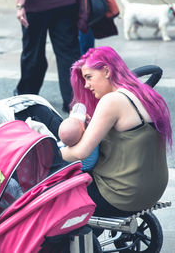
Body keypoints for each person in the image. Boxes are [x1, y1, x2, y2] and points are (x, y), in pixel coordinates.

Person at [60, 46, 172, 217]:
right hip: (153, 190)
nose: (87, 85)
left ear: (106, 71)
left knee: (58, 189)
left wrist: (54, 153)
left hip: (122, 196)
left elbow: (81, 152)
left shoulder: (112, 100)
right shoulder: (145, 93)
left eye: (89, 77)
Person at [14, 0, 80, 112]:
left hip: (36, 4)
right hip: (66, 1)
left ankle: (26, 98)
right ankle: (73, 102)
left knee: (33, 52)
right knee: (68, 54)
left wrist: (19, 5)